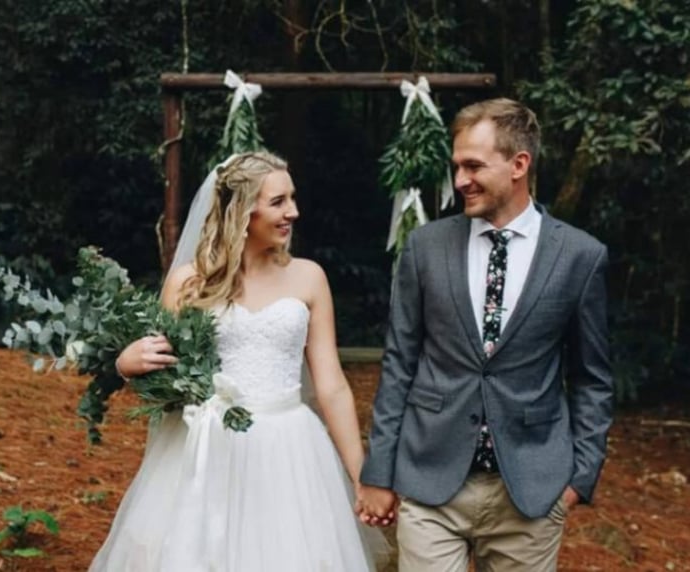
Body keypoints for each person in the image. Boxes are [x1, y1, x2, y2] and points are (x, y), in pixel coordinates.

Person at [89, 152, 385, 571]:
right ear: (242, 211)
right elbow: (166, 384)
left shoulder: (309, 277)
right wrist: (127, 363)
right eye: (278, 202)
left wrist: (360, 476)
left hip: (289, 451)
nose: (293, 212)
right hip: (207, 449)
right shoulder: (189, 283)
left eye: (292, 198)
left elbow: (332, 385)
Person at [358, 98, 614, 571]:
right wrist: (378, 471)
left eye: (473, 166)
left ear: (519, 164)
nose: (460, 180)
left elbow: (592, 378)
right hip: (430, 481)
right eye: (457, 166)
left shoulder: (581, 256)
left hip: (531, 492)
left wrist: (579, 477)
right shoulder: (425, 247)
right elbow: (399, 364)